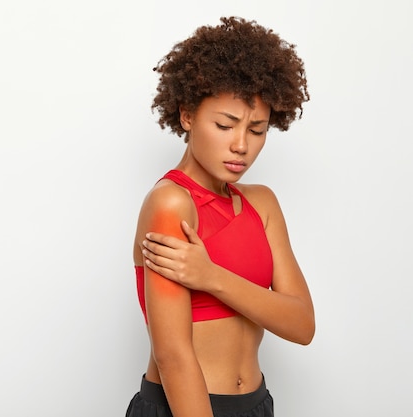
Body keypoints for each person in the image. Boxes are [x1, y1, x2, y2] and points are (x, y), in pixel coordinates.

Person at [126, 17, 315, 417]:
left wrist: (211, 276)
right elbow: (172, 355)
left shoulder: (262, 204)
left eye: (258, 129)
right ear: (188, 115)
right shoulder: (171, 204)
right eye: (224, 125)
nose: (241, 145)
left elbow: (301, 325)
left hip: (257, 404)